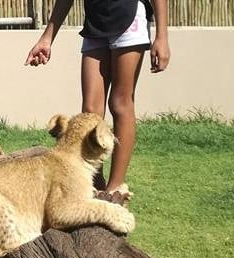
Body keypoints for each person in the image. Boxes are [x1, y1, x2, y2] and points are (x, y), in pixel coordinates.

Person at [25, 0, 170, 195]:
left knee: (120, 103)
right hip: (96, 22)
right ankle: (95, 182)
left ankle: (115, 188)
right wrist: (46, 38)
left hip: (129, 17)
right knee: (91, 111)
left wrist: (162, 36)